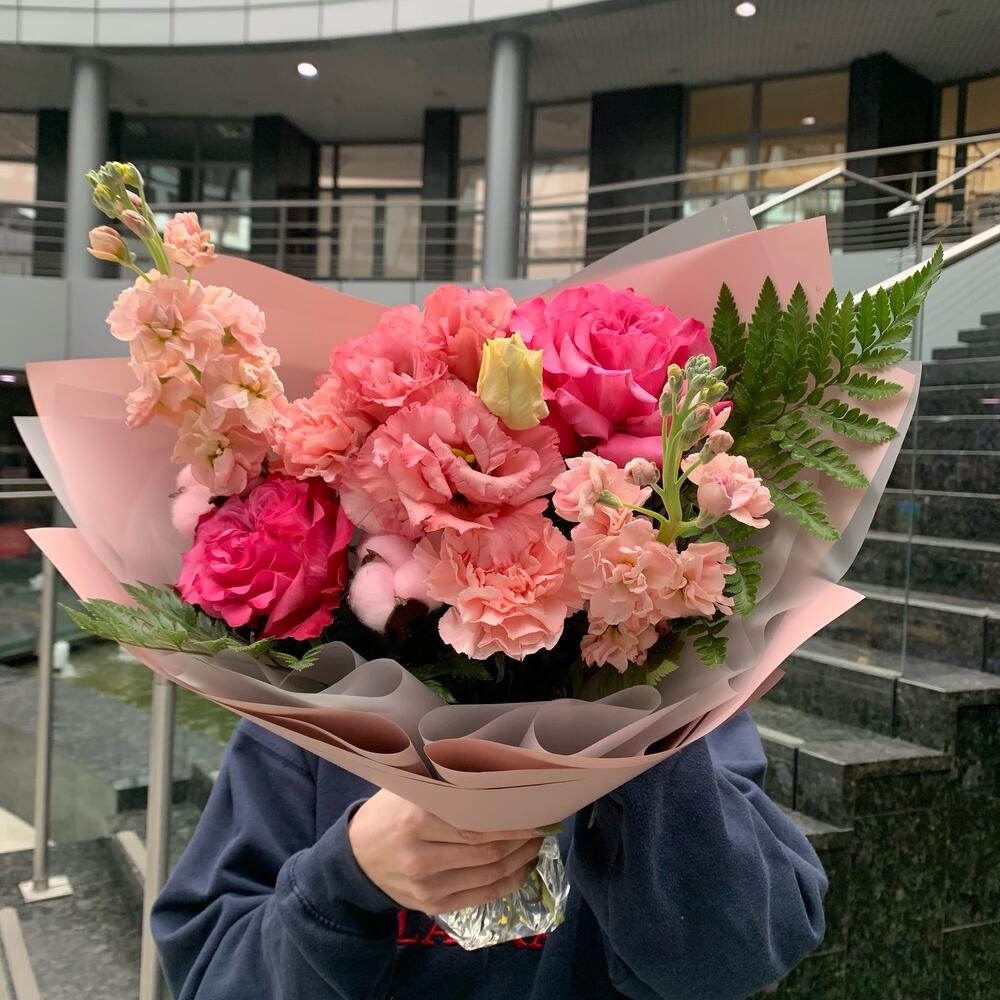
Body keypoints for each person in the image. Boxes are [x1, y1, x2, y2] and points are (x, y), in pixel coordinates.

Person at [152, 710, 826, 1000]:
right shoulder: (302, 715)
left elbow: (742, 952)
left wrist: (635, 728)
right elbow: (212, 975)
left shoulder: (679, 701)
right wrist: (347, 875)